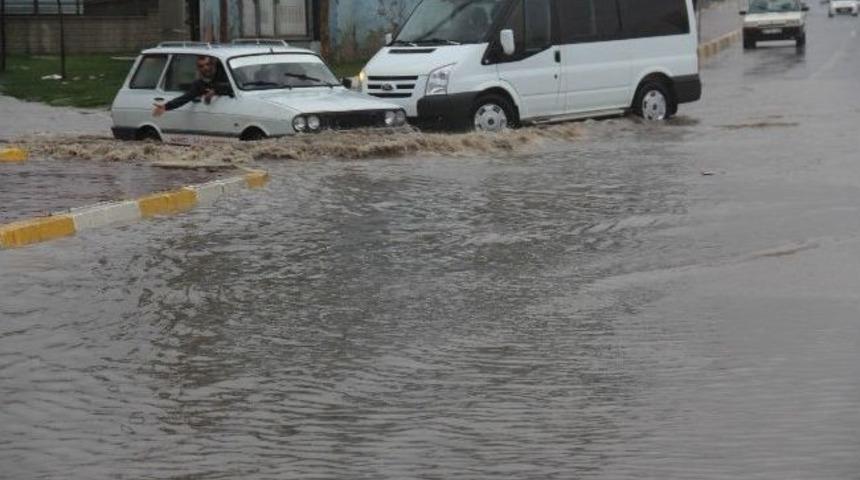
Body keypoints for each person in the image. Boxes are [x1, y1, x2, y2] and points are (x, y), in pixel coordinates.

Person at [152, 56, 218, 117]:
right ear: (198, 69)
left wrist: (214, 91)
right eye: (201, 66)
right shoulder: (198, 84)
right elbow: (186, 97)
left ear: (212, 65)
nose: (205, 68)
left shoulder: (221, 77)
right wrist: (166, 106)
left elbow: (223, 85)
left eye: (208, 64)